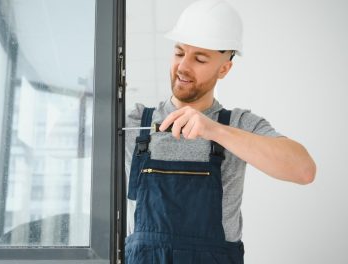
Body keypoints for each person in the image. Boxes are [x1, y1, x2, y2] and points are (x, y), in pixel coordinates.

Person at [124, 0, 316, 263]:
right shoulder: (137, 121)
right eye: (179, 53)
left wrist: (215, 130)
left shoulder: (239, 124)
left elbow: (303, 170)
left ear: (224, 68)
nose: (183, 67)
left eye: (200, 58)